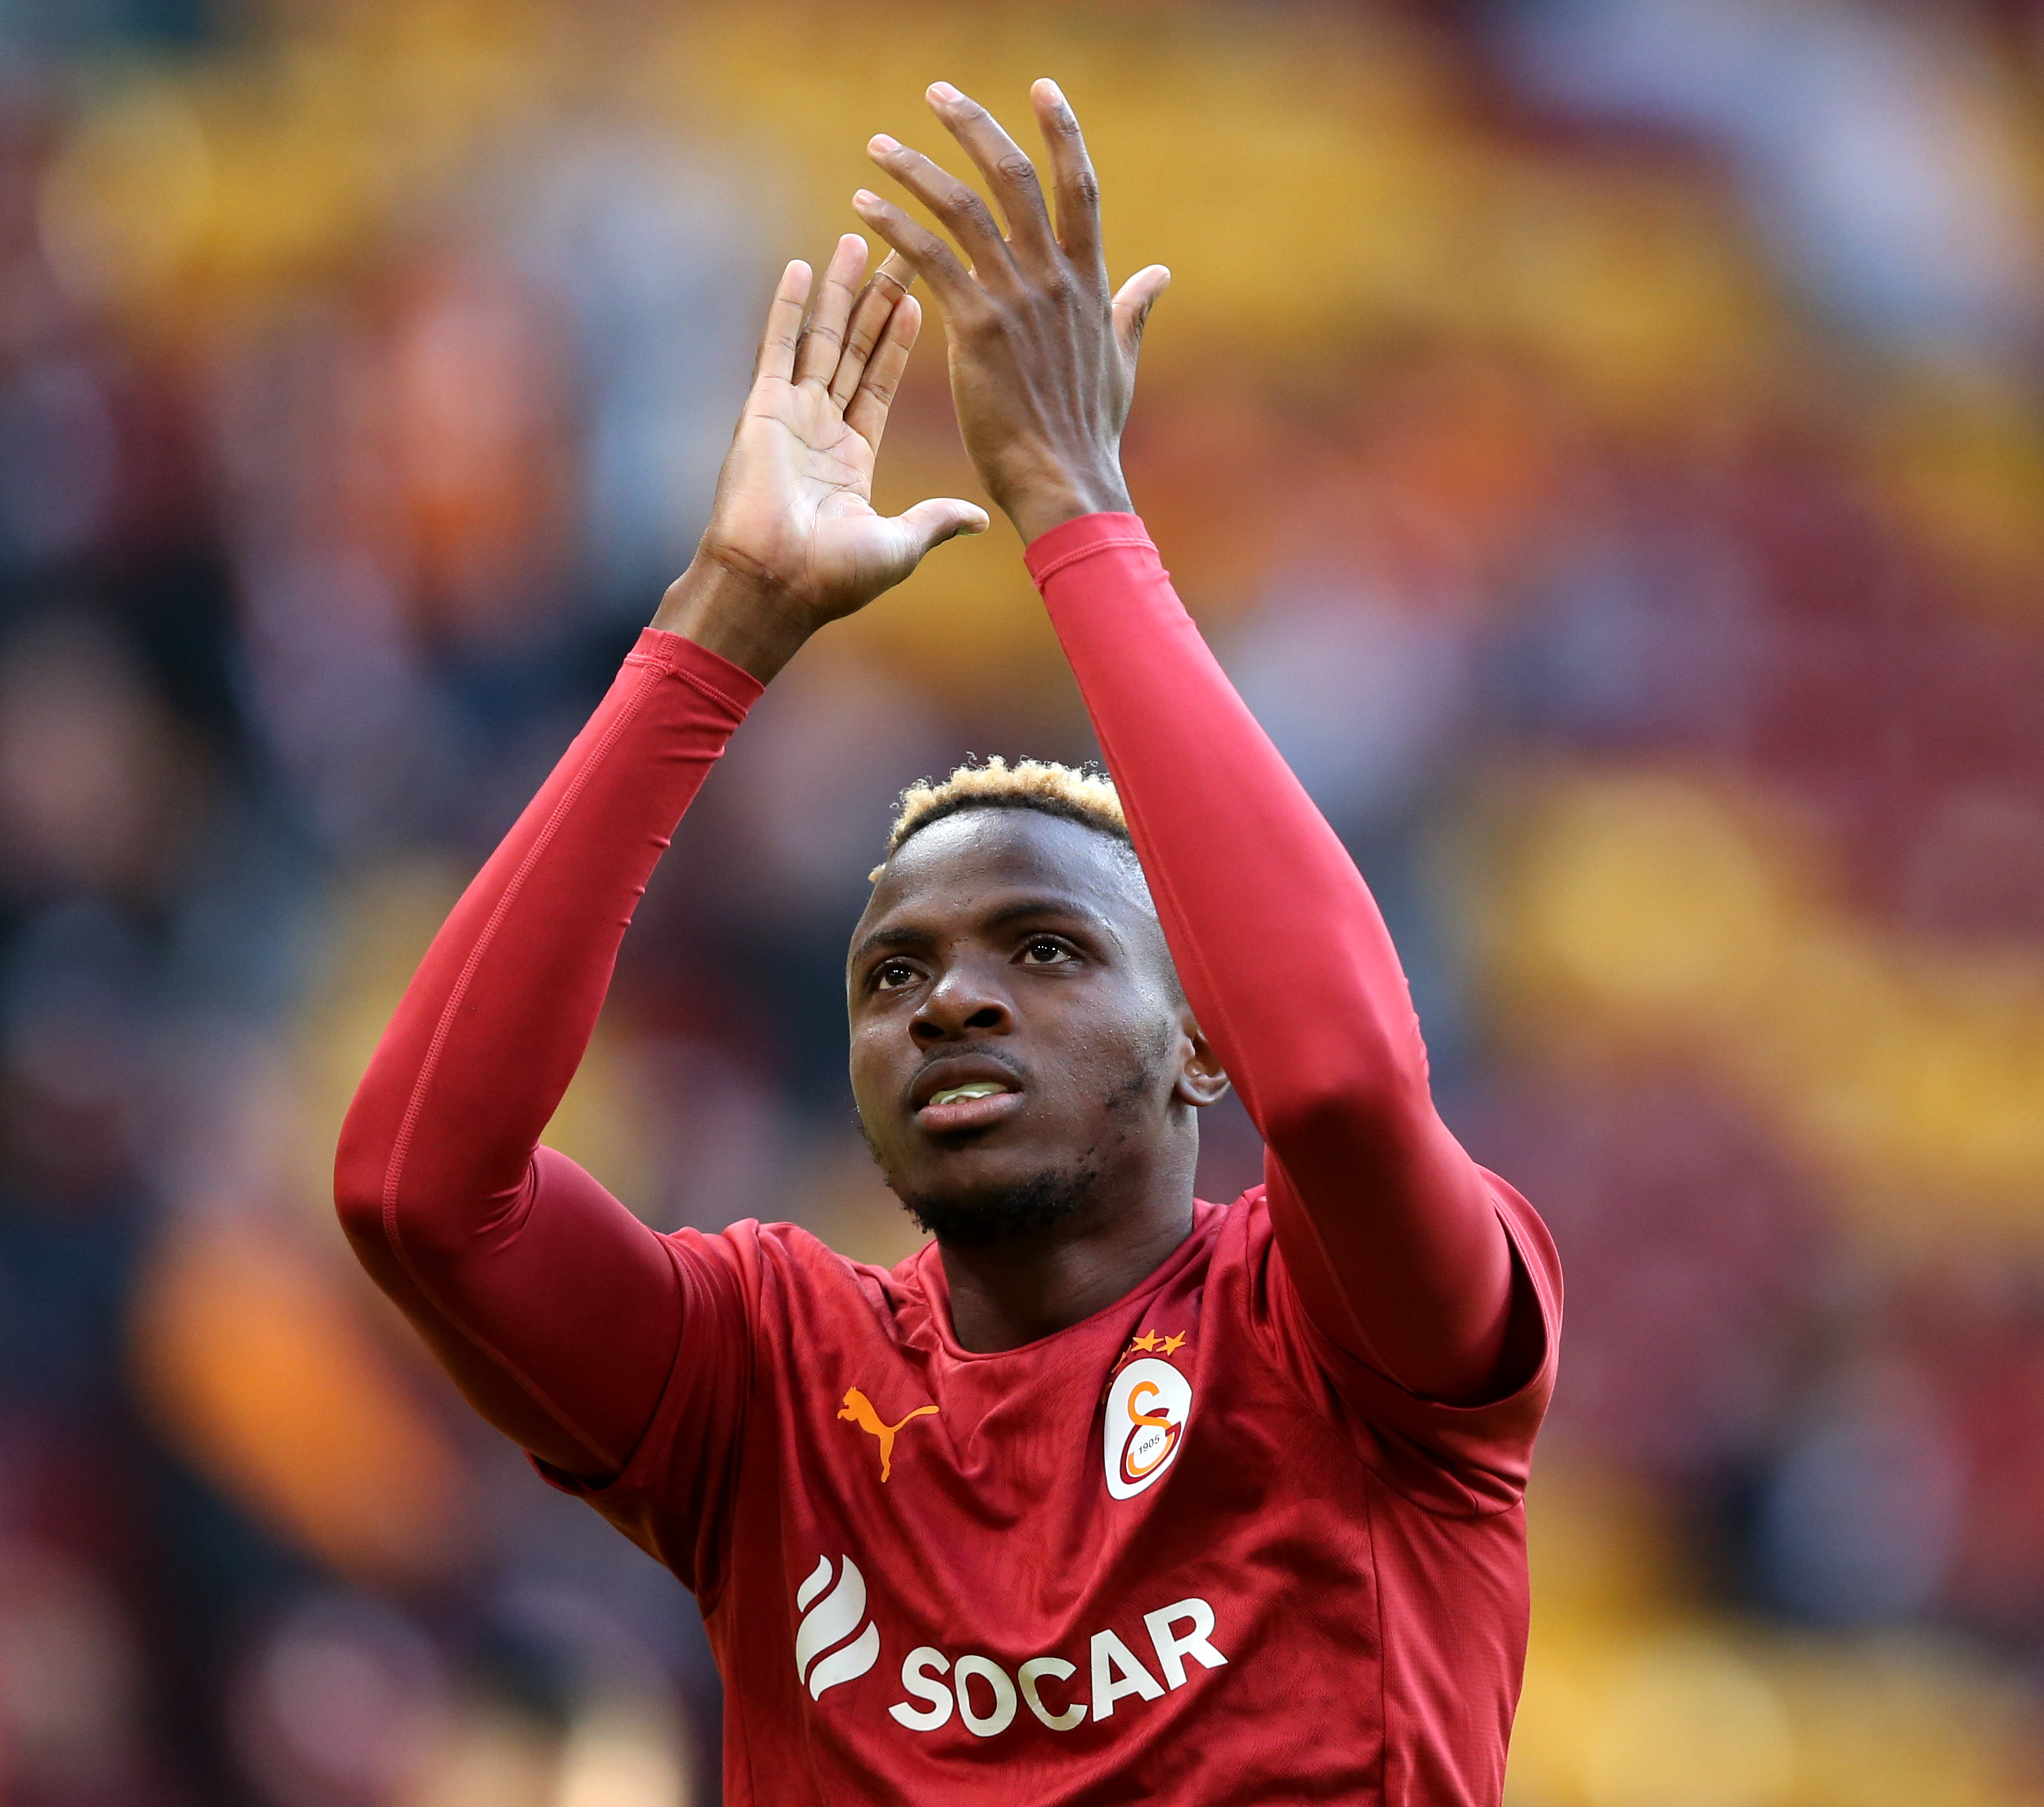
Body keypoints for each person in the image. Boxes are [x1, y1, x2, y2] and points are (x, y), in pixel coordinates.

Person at [336, 77, 1559, 1806]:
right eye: (889, 973)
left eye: (1049, 948)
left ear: (1206, 1038)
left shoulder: (1344, 1335)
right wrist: (721, 626)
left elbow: (1352, 1084)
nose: (952, 995)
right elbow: (416, 1189)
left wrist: (1075, 503)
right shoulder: (767, 1382)